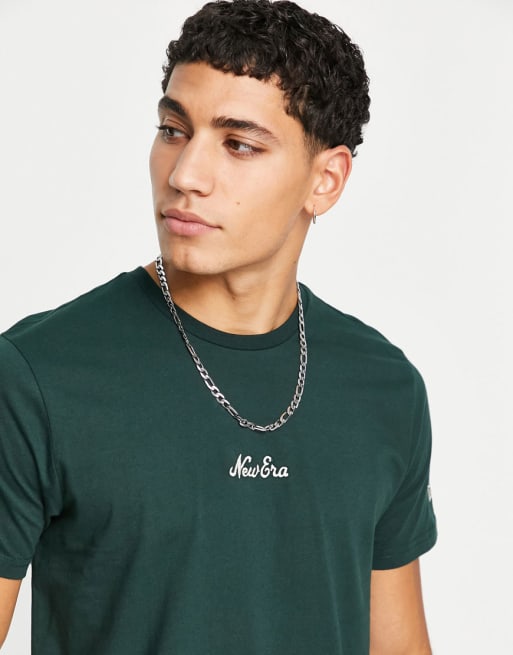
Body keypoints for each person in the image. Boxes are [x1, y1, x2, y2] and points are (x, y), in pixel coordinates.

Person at [0, 0, 437, 653]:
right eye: (173, 130)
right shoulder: (36, 375)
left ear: (325, 179)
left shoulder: (384, 388)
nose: (184, 176)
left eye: (238, 144)